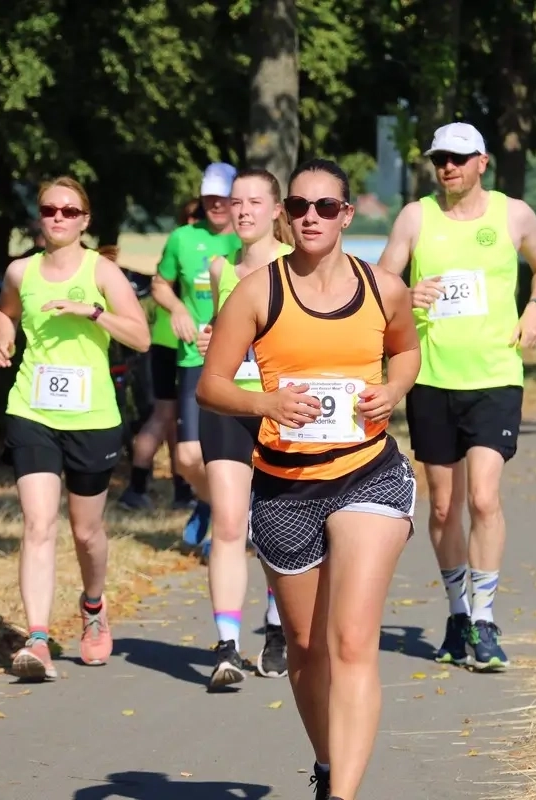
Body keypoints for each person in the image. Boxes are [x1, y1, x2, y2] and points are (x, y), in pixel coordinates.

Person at [197, 158, 420, 800]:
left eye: (326, 206)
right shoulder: (257, 293)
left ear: (346, 214)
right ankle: (328, 765)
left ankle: (343, 795)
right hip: (285, 488)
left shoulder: (383, 288)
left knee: (351, 641)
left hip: (368, 473)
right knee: (304, 647)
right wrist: (264, 403)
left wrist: (393, 390)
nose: (311, 217)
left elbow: (407, 350)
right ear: (285, 216)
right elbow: (211, 385)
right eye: (299, 206)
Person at [377, 122, 536, 673]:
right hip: (431, 377)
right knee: (441, 506)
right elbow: (380, 285)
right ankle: (458, 613)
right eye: (440, 159)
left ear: (482, 161)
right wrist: (407, 293)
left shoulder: (513, 214)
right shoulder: (416, 217)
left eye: (458, 158)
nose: (448, 168)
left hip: (495, 375)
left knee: (482, 498)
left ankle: (485, 618)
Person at [0, 176, 150, 681]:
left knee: (86, 532)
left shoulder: (102, 271)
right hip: (32, 410)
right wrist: (4, 341)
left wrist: (93, 311)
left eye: (69, 211)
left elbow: (141, 337)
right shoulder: (21, 271)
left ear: (85, 220)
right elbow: (5, 311)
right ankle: (37, 640)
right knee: (38, 524)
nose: (58, 218)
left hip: (92, 417)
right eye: (49, 210)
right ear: (39, 217)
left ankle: (94, 606)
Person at [194, 169, 293, 687]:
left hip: (282, 408)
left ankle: (277, 628)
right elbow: (223, 331)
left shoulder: (296, 265)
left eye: (255, 202)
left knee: (277, 525)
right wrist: (212, 337)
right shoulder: (220, 267)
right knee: (229, 523)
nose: (244, 211)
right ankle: (227, 646)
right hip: (230, 405)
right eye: (236, 202)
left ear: (276, 210)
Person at [150, 164, 242, 548]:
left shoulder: (249, 239)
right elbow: (160, 284)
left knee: (235, 452)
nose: (216, 204)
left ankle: (228, 523)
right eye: (209, 197)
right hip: (194, 356)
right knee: (188, 456)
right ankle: (212, 503)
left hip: (244, 361)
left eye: (223, 197)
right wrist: (177, 309)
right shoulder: (183, 238)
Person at [117, 198, 204, 512]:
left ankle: (173, 490)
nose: (197, 221)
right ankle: (141, 486)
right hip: (178, 343)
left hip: (166, 340)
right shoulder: (191, 249)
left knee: (169, 417)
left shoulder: (178, 245)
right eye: (194, 216)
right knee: (167, 416)